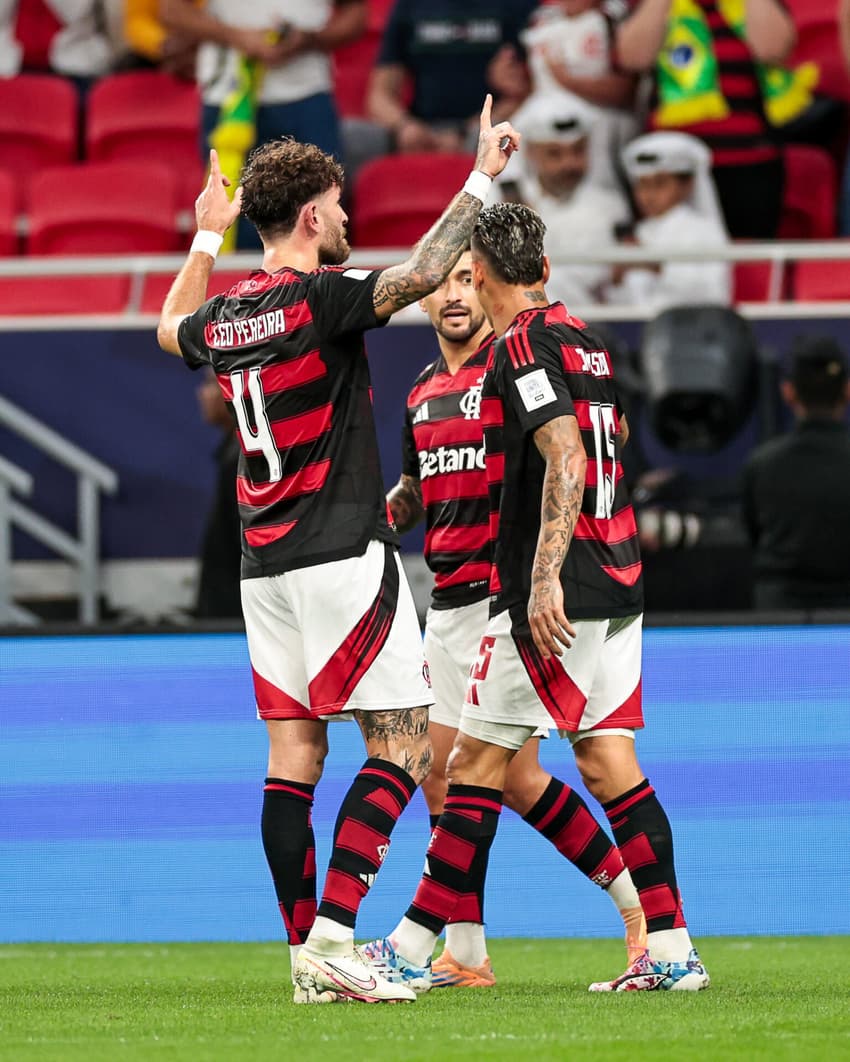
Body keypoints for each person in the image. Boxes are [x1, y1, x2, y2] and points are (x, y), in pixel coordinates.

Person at [156, 98, 521, 1004]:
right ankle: (332, 938)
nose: (349, 218)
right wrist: (482, 174)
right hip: (338, 555)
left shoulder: (228, 314)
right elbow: (430, 270)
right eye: (340, 203)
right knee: (400, 747)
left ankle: (303, 963)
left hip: (261, 568)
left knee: (294, 759)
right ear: (313, 216)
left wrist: (207, 240)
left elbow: (168, 331)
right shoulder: (320, 296)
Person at [365, 202, 710, 994]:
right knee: (606, 759)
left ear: (479, 276)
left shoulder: (518, 347)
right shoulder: (581, 339)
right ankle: (670, 950)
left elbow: (567, 456)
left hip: (557, 592)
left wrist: (544, 576)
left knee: (474, 762)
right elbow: (602, 444)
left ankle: (414, 947)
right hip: (619, 577)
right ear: (546, 269)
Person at [160, 0, 367, 247]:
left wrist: (309, 39)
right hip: (231, 99)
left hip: (307, 94)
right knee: (233, 225)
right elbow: (172, 10)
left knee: (316, 220)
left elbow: (356, 16)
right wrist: (237, 37)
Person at [616, 0, 796, 239]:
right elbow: (633, 58)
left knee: (748, 262)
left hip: (748, 162)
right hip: (671, 170)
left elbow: (773, 48)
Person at [742, 336, 850, 610]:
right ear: (847, 391)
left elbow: (752, 535)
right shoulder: (761, 464)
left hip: (780, 622)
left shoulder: (761, 465)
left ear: (788, 392)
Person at [498, 94, 628, 307]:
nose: (569, 164)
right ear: (530, 153)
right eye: (554, 154)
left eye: (578, 151)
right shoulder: (499, 204)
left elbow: (600, 279)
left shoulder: (610, 206)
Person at [367, 0, 537, 154]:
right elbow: (380, 94)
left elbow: (533, 90)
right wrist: (404, 126)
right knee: (363, 138)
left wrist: (468, 131)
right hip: (423, 129)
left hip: (490, 123)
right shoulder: (409, 5)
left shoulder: (516, 5)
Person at [518, 0, 638, 191]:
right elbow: (525, 80)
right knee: (511, 133)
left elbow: (626, 90)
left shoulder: (613, 17)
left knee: (598, 130)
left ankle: (605, 200)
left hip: (600, 111)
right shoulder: (540, 19)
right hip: (543, 108)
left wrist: (568, 81)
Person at [605, 131, 731, 310]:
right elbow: (624, 304)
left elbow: (714, 294)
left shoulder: (704, 230)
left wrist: (657, 268)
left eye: (659, 184)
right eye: (642, 185)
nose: (649, 195)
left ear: (687, 185)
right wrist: (617, 280)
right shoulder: (638, 234)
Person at [194, 368, 242, 619]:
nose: (201, 393)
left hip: (234, 623)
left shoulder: (243, 463)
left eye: (211, 384)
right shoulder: (231, 456)